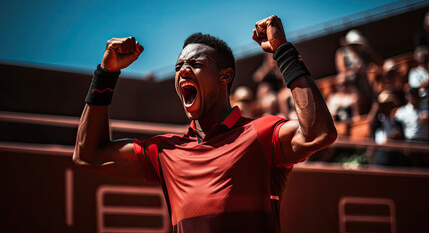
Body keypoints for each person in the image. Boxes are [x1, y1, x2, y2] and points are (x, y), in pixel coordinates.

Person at [73, 15, 337, 233]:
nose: (183, 70)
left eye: (195, 63)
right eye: (179, 66)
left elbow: (319, 134)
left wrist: (283, 51)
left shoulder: (262, 133)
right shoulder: (165, 151)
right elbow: (88, 154)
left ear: (226, 76)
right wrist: (106, 74)